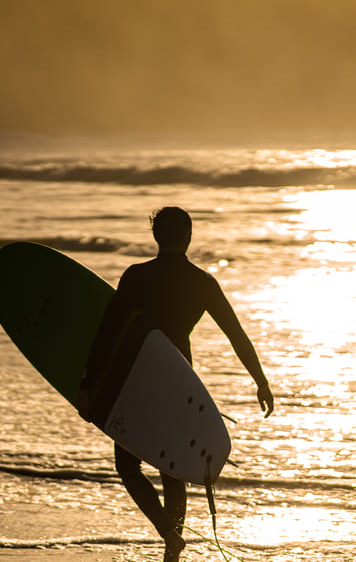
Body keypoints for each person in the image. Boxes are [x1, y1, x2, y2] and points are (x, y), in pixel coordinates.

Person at [79, 206, 274, 562]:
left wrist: (88, 385)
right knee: (173, 469)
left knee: (127, 465)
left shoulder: (135, 276)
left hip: (135, 377)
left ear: (156, 236)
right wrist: (260, 380)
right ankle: (174, 545)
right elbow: (236, 335)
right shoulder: (202, 282)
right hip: (179, 377)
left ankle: (168, 532)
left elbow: (106, 333)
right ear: (189, 236)